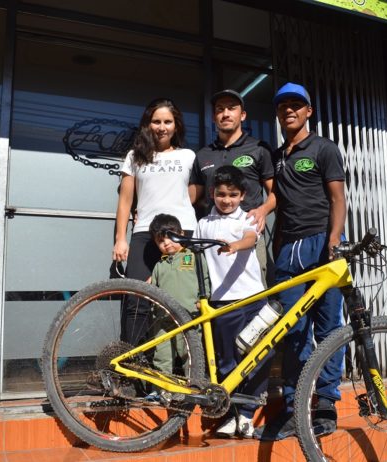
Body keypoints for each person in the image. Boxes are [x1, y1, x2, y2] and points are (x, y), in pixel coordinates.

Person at [253, 83, 346, 441]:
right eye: (282, 106)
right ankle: (294, 410)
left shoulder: (323, 148)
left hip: (323, 246)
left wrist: (334, 240)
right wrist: (263, 209)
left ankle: (325, 406)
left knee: (329, 329)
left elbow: (338, 198)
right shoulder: (277, 156)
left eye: (296, 105)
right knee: (292, 332)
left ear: (308, 111)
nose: (288, 110)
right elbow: (277, 195)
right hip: (288, 249)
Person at [195, 165, 272, 439]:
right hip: (222, 303)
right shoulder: (204, 223)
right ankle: (231, 416)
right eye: (221, 194)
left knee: (259, 355)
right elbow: (196, 259)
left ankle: (248, 414)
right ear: (213, 193)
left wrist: (235, 245)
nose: (226, 200)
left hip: (252, 299)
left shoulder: (248, 219)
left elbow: (250, 239)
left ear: (243, 195)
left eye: (233, 195)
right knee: (227, 362)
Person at [113, 98, 197, 345]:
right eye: (156, 121)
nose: (162, 127)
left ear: (176, 126)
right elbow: (125, 200)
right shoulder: (134, 156)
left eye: (168, 122)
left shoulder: (188, 156)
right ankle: (134, 368)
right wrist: (120, 238)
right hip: (144, 233)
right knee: (136, 301)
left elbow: (194, 194)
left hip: (183, 234)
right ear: (148, 125)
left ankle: (184, 367)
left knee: (183, 302)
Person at [189, 89, 275, 284]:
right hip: (212, 240)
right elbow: (191, 197)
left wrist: (263, 210)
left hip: (249, 235)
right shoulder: (203, 154)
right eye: (220, 109)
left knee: (257, 296)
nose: (225, 113)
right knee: (215, 297)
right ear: (214, 117)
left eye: (231, 108)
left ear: (242, 115)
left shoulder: (259, 149)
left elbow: (275, 192)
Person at [147, 213, 209, 374]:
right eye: (161, 241)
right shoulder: (159, 266)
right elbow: (153, 289)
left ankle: (194, 388)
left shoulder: (193, 256)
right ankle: (163, 392)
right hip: (163, 320)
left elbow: (205, 279)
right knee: (162, 357)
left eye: (170, 237)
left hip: (189, 316)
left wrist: (204, 298)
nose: (166, 244)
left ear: (181, 234)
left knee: (190, 355)